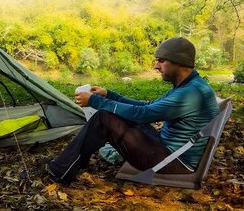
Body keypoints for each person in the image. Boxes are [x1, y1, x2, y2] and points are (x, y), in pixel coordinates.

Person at [38, 37, 220, 184]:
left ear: (179, 62)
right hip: (170, 152)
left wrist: (94, 101)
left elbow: (142, 114)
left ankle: (60, 171)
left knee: (103, 118)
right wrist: (110, 95)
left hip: (174, 162)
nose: (156, 66)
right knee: (112, 115)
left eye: (161, 61)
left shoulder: (190, 93)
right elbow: (145, 107)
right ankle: (68, 164)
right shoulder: (190, 87)